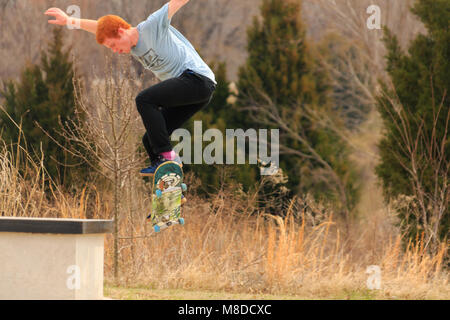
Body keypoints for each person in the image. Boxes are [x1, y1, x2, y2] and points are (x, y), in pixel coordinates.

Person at [45, 0, 216, 175]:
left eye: (113, 45)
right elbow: (100, 26)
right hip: (194, 93)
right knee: (150, 139)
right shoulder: (132, 46)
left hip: (197, 79)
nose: (115, 51)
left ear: (121, 32)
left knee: (144, 100)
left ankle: (168, 158)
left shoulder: (152, 26)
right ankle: (170, 178)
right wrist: (69, 21)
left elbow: (176, 3)